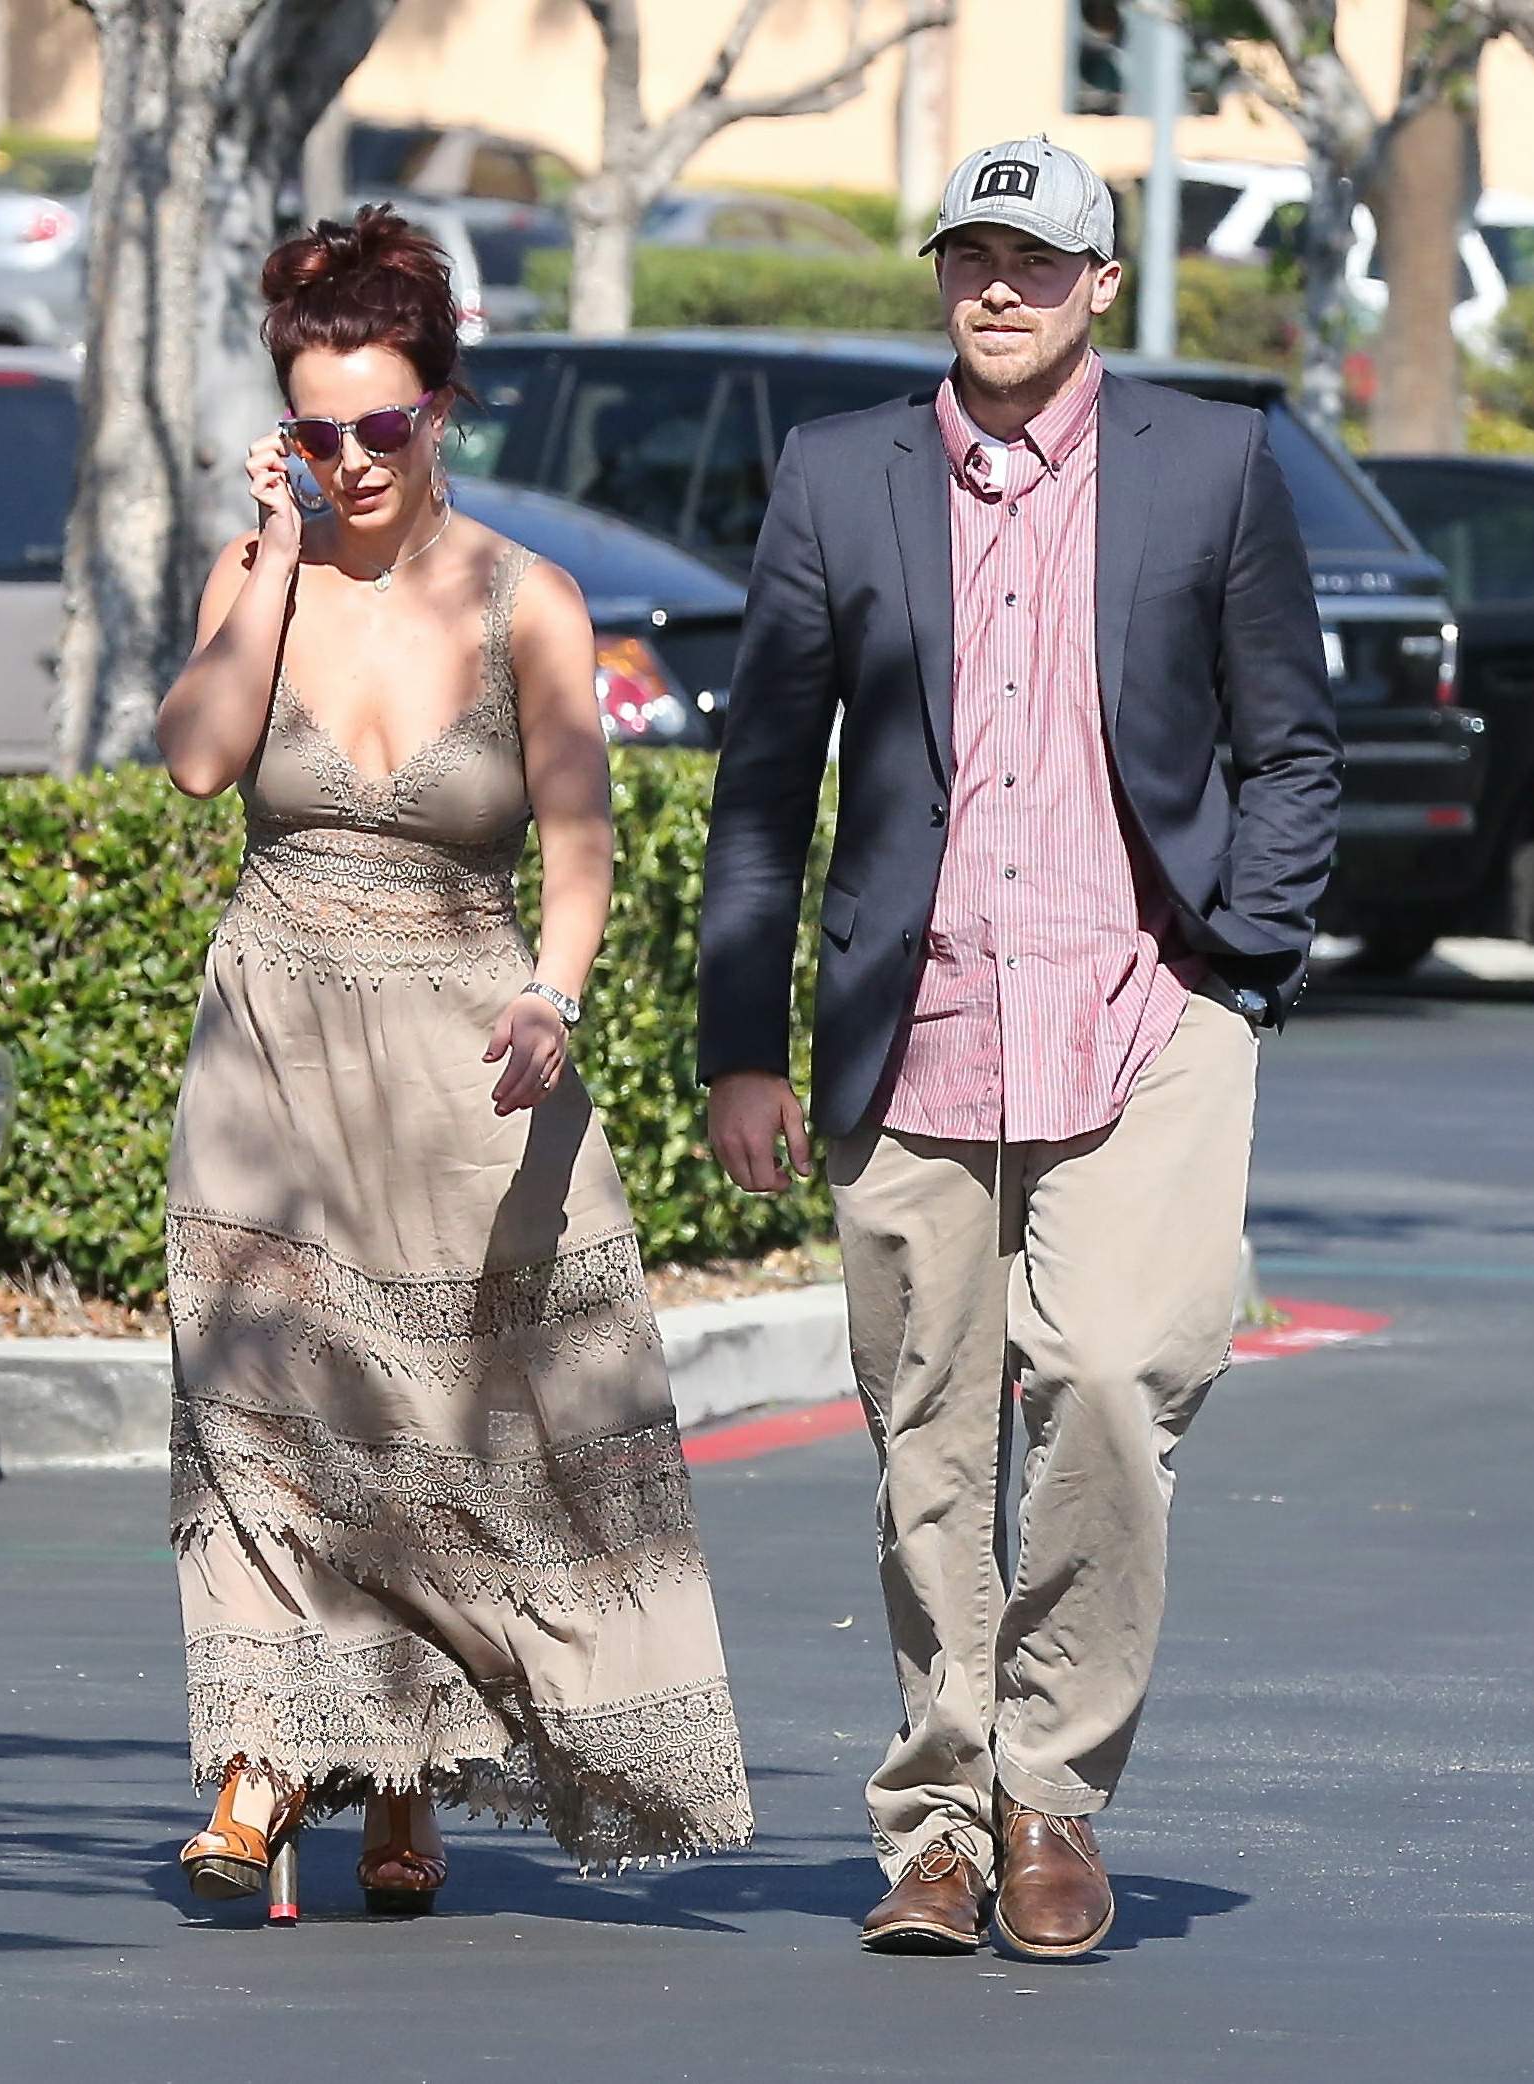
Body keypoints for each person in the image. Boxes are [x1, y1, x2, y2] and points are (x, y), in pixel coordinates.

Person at [698, 137, 1340, 1959]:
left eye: (1037, 260)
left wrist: (1238, 968)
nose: (999, 286)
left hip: (1144, 1016)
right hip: (914, 1027)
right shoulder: (840, 477)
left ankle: (1049, 1793)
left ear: (1099, 285)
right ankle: (935, 1826)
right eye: (971, 254)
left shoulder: (1209, 463)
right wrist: (743, 1043)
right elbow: (763, 785)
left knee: (1115, 1379)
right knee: (925, 1442)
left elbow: (1290, 748)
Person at [158, 205, 751, 1922]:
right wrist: (271, 559)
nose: (349, 460)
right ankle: (261, 1768)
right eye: (315, 432)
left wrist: (554, 994)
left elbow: (579, 846)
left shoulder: (525, 600)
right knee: (265, 1406)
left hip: (466, 1053)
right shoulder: (257, 573)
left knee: (444, 1423)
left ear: (439, 412)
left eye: (380, 426)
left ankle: (403, 1777)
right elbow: (197, 762)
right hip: (271, 1036)